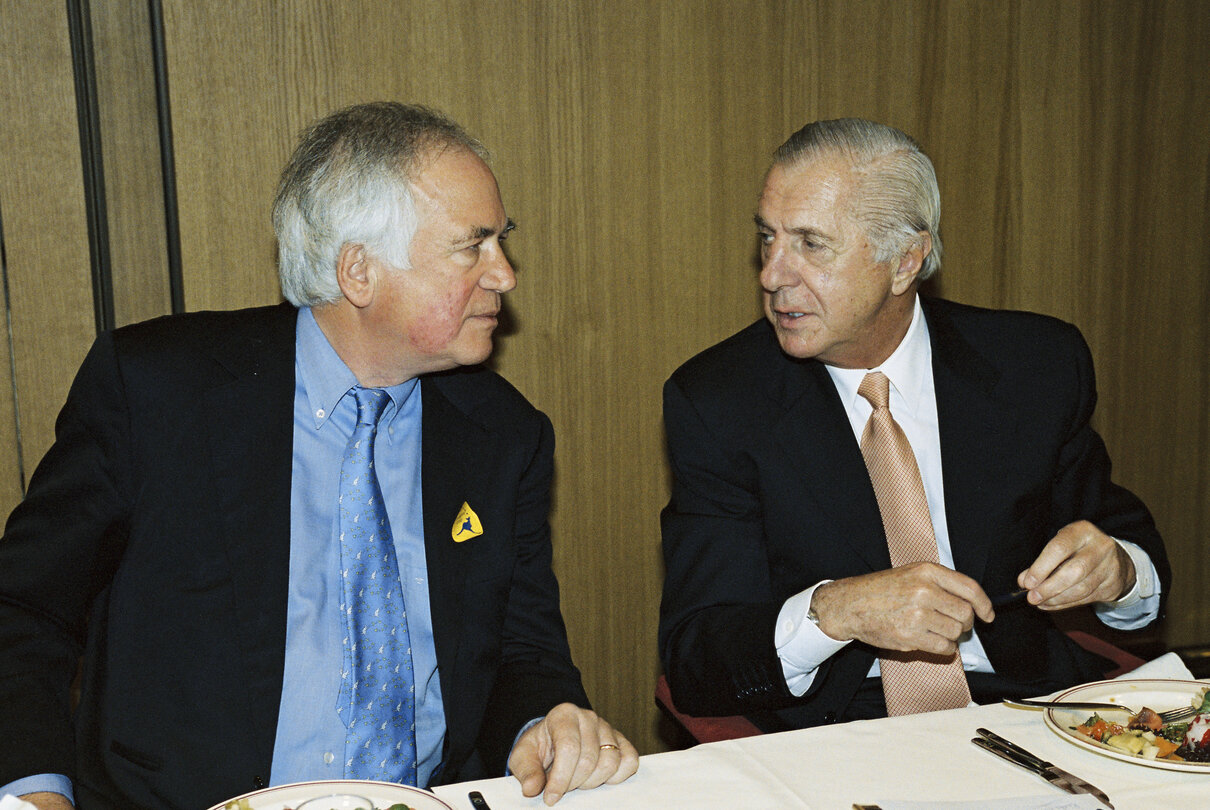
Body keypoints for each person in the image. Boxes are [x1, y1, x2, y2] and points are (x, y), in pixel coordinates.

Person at [0, 102, 637, 809]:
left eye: (502, 240)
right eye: (473, 246)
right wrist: (34, 791)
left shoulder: (503, 434)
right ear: (358, 271)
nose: (506, 274)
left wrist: (545, 719)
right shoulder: (158, 393)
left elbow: (522, 652)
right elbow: (23, 608)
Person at [658, 118, 1170, 731]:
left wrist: (1119, 571)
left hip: (1025, 707)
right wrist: (833, 612)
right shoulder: (720, 400)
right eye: (768, 238)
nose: (772, 273)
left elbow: (1123, 547)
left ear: (906, 260)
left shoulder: (1034, 365)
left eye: (811, 244)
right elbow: (697, 655)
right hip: (838, 727)